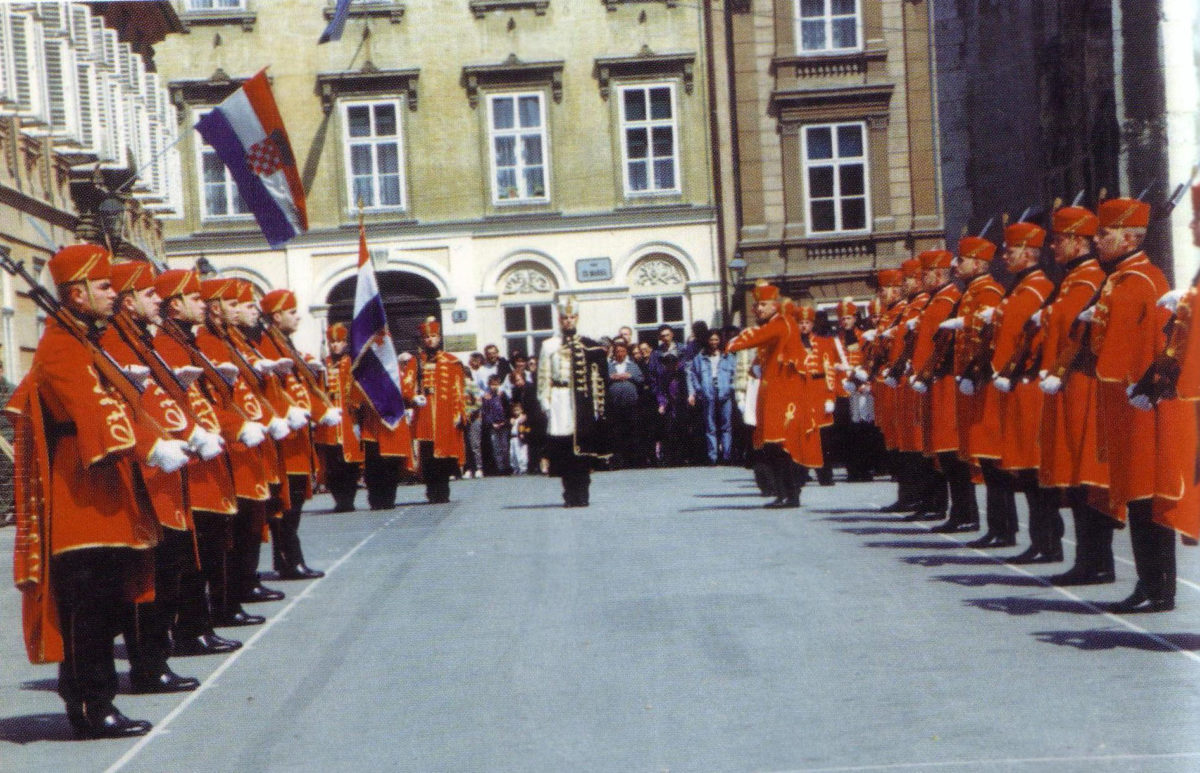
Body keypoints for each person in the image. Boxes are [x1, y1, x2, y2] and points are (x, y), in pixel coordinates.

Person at [6, 244, 176, 738]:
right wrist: (149, 447)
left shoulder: (84, 342)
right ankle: (91, 706)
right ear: (77, 293)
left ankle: (94, 702)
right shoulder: (62, 347)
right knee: (90, 610)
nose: (112, 294)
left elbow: (122, 403)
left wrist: (156, 436)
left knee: (109, 604)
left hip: (105, 493)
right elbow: (93, 411)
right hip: (79, 497)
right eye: (104, 286)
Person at [100, 261, 204, 695]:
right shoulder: (113, 342)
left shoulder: (139, 340)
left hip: (163, 474)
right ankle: (147, 666)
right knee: (149, 577)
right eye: (149, 294)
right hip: (143, 475)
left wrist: (190, 430)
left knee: (167, 572)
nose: (158, 299)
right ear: (128, 301)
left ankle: (156, 660)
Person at [1087, 196, 1177, 612]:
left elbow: (1129, 348)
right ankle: (1152, 584)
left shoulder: (1139, 281)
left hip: (1142, 402)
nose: (1096, 240)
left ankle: (1158, 587)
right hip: (1128, 401)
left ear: (1128, 238)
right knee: (1139, 496)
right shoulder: (1124, 278)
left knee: (1145, 496)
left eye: (1103, 233)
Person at [151, 269, 243, 656]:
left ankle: (199, 624)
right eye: (194, 298)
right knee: (193, 553)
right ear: (175, 305)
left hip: (205, 456)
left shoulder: (184, 342)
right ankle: (191, 627)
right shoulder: (168, 345)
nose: (202, 304)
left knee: (204, 549)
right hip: (190, 463)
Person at [1036, 204, 1113, 578]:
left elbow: (1080, 337)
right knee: (1076, 477)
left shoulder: (1089, 280)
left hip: (1084, 386)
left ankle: (1096, 563)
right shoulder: (1071, 280)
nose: (1052, 247)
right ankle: (1090, 560)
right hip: (1067, 388)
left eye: (1058, 240)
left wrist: (1060, 371)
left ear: (1076, 241)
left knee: (1088, 476)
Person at [257, 289, 341, 579]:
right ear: (276, 315)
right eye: (292, 312)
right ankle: (289, 560)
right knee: (286, 504)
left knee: (293, 502)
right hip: (285, 440)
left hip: (298, 438)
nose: (297, 317)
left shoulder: (283, 343)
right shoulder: (268, 345)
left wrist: (320, 410)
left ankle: (288, 560)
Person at [727, 282, 822, 508]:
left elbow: (752, 339)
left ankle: (791, 494)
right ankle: (783, 493)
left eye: (763, 304)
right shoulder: (775, 324)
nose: (758, 309)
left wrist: (733, 342)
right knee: (773, 445)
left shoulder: (780, 323)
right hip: (773, 392)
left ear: (774, 305)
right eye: (756, 305)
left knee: (781, 444)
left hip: (784, 394)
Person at [537, 296, 609, 506]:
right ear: (559, 320)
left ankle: (583, 493)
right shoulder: (549, 345)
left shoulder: (587, 344)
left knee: (582, 449)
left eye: (571, 317)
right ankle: (569, 494)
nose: (568, 321)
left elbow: (597, 373)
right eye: (564, 318)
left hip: (580, 400)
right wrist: (545, 402)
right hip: (559, 399)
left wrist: (596, 404)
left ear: (576, 318)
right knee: (564, 449)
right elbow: (543, 377)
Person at [403, 317, 467, 503]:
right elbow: (406, 385)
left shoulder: (452, 361)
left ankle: (443, 490)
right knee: (427, 453)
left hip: (444, 412)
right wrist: (413, 397)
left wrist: (458, 412)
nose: (430, 340)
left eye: (433, 336)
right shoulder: (416, 361)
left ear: (439, 337)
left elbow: (458, 389)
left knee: (444, 455)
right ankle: (431, 490)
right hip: (424, 413)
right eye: (426, 337)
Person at [315, 323, 365, 513]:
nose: (335, 345)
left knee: (349, 462)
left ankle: (348, 499)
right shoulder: (323, 364)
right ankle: (339, 499)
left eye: (339, 342)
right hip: (329, 422)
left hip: (347, 419)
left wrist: (355, 404)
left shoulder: (352, 363)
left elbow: (358, 388)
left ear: (345, 343)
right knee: (332, 463)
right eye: (332, 342)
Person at [606, 339, 644, 468]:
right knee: (617, 432)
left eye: (622, 351)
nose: (620, 354)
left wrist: (629, 376)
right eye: (618, 351)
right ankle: (618, 460)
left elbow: (641, 379)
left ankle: (632, 460)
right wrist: (612, 377)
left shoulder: (632, 365)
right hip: (615, 404)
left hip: (631, 404)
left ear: (626, 352)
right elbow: (603, 379)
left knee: (632, 430)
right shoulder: (610, 366)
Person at [481, 373, 511, 475]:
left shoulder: (503, 395)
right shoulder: (487, 397)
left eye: (496, 384)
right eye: (492, 384)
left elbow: (507, 409)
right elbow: (485, 412)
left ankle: (507, 466)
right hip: (493, 425)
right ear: (489, 385)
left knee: (505, 446)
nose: (494, 387)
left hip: (503, 424)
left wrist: (504, 421)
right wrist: (491, 423)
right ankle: (500, 468)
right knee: (496, 447)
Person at [509, 402, 530, 475]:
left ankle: (523, 468)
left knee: (521, 453)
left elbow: (528, 428)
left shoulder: (523, 418)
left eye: (517, 410)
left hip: (520, 438)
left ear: (521, 410)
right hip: (513, 437)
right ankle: (515, 468)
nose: (516, 412)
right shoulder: (513, 419)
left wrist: (524, 433)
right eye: (514, 410)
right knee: (513, 454)